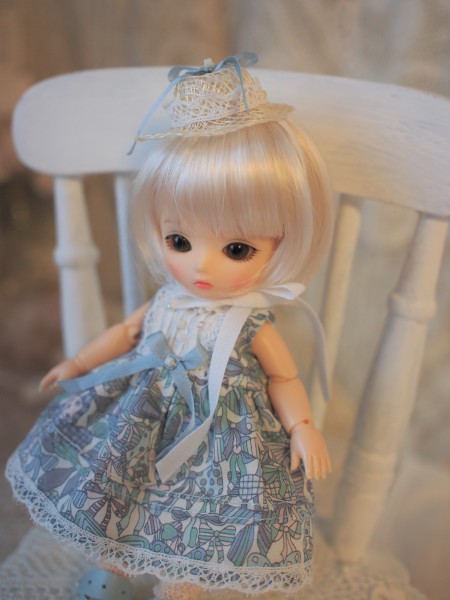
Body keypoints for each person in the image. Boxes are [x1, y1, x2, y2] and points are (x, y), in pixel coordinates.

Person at [7, 54, 334, 600]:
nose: (201, 265)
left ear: (282, 244)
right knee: (123, 490)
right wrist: (80, 363)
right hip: (146, 415)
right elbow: (126, 334)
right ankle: (111, 570)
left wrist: (301, 425)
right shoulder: (166, 301)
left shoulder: (249, 320)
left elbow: (283, 376)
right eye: (179, 241)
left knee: (197, 514)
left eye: (236, 249)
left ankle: (183, 584)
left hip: (219, 437)